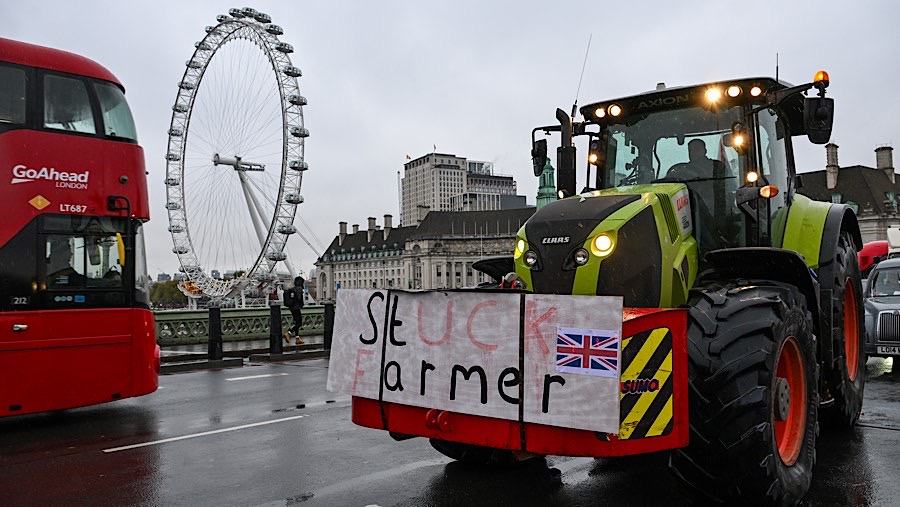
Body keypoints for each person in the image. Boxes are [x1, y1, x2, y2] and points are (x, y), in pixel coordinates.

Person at [283, 276, 305, 345]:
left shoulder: (293, 289)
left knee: (296, 323)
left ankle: (297, 338)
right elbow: (299, 298)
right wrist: (302, 303)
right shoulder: (299, 289)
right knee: (299, 323)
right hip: (296, 308)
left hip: (291, 307)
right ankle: (288, 333)